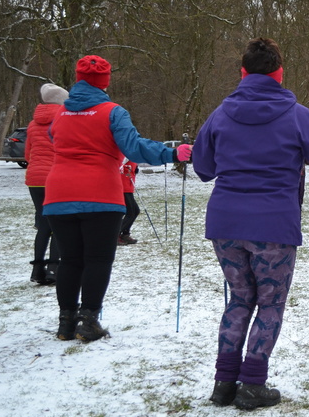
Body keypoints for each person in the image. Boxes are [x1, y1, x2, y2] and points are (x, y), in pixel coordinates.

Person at [192, 37, 309, 411]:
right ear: (279, 74)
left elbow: (203, 168)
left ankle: (224, 383)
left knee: (239, 298)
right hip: (273, 226)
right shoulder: (295, 113)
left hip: (225, 222)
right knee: (270, 302)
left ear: (242, 72)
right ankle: (252, 383)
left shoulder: (220, 113)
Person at [44, 55, 191, 343]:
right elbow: (134, 148)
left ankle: (65, 323)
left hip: (59, 194)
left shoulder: (59, 114)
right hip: (101, 194)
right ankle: (88, 321)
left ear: (77, 79)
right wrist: (172, 153)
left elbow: (53, 138)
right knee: (98, 259)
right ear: (105, 81)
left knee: (70, 260)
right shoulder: (112, 112)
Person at [24, 83, 69, 284]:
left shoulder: (32, 124)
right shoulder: (63, 120)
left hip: (34, 178)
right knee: (59, 224)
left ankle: (37, 270)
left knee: (43, 225)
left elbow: (28, 154)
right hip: (55, 177)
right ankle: (53, 268)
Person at [118, 159, 140, 244]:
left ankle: (125, 234)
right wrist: (126, 170)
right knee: (130, 212)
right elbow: (119, 165)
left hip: (129, 187)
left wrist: (135, 168)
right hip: (123, 187)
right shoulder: (126, 154)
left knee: (135, 211)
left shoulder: (133, 155)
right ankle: (116, 234)